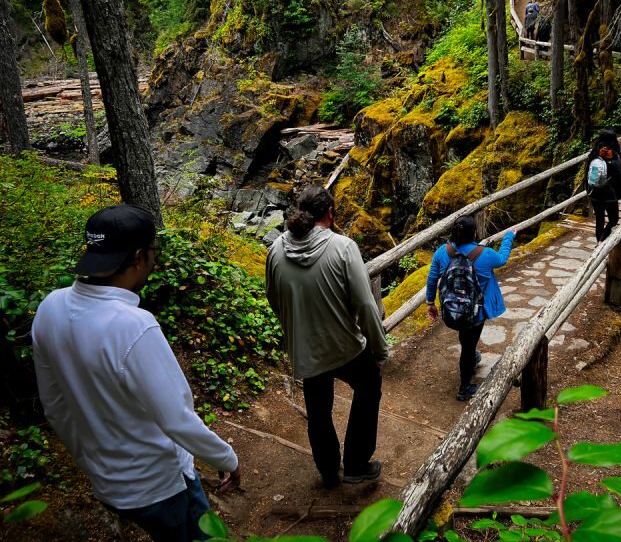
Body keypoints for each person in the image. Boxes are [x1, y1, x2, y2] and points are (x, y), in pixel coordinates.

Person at [32, 204, 240, 542]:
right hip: (160, 485)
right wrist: (227, 458)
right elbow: (177, 419)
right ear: (140, 256)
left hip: (109, 483)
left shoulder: (50, 308)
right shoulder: (133, 326)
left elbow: (54, 407)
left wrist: (92, 463)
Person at [265, 186, 388, 488]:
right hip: (345, 345)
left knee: (318, 407)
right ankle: (357, 463)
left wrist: (295, 331)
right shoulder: (343, 247)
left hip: (305, 348)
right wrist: (379, 347)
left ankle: (328, 468)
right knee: (368, 386)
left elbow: (273, 298)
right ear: (330, 214)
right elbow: (364, 304)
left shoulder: (276, 250)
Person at [425, 216, 516, 401]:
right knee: (468, 345)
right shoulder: (486, 254)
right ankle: (464, 387)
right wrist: (508, 237)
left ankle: (472, 356)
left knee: (467, 340)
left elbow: (432, 279)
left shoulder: (443, 252)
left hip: (451, 309)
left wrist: (430, 303)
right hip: (476, 312)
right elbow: (503, 259)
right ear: (474, 233)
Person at [586, 130, 621, 242]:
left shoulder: (594, 154)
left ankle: (598, 241)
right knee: (613, 219)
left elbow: (587, 175)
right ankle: (602, 240)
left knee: (599, 219)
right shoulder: (613, 157)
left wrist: (588, 190)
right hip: (610, 195)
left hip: (595, 193)